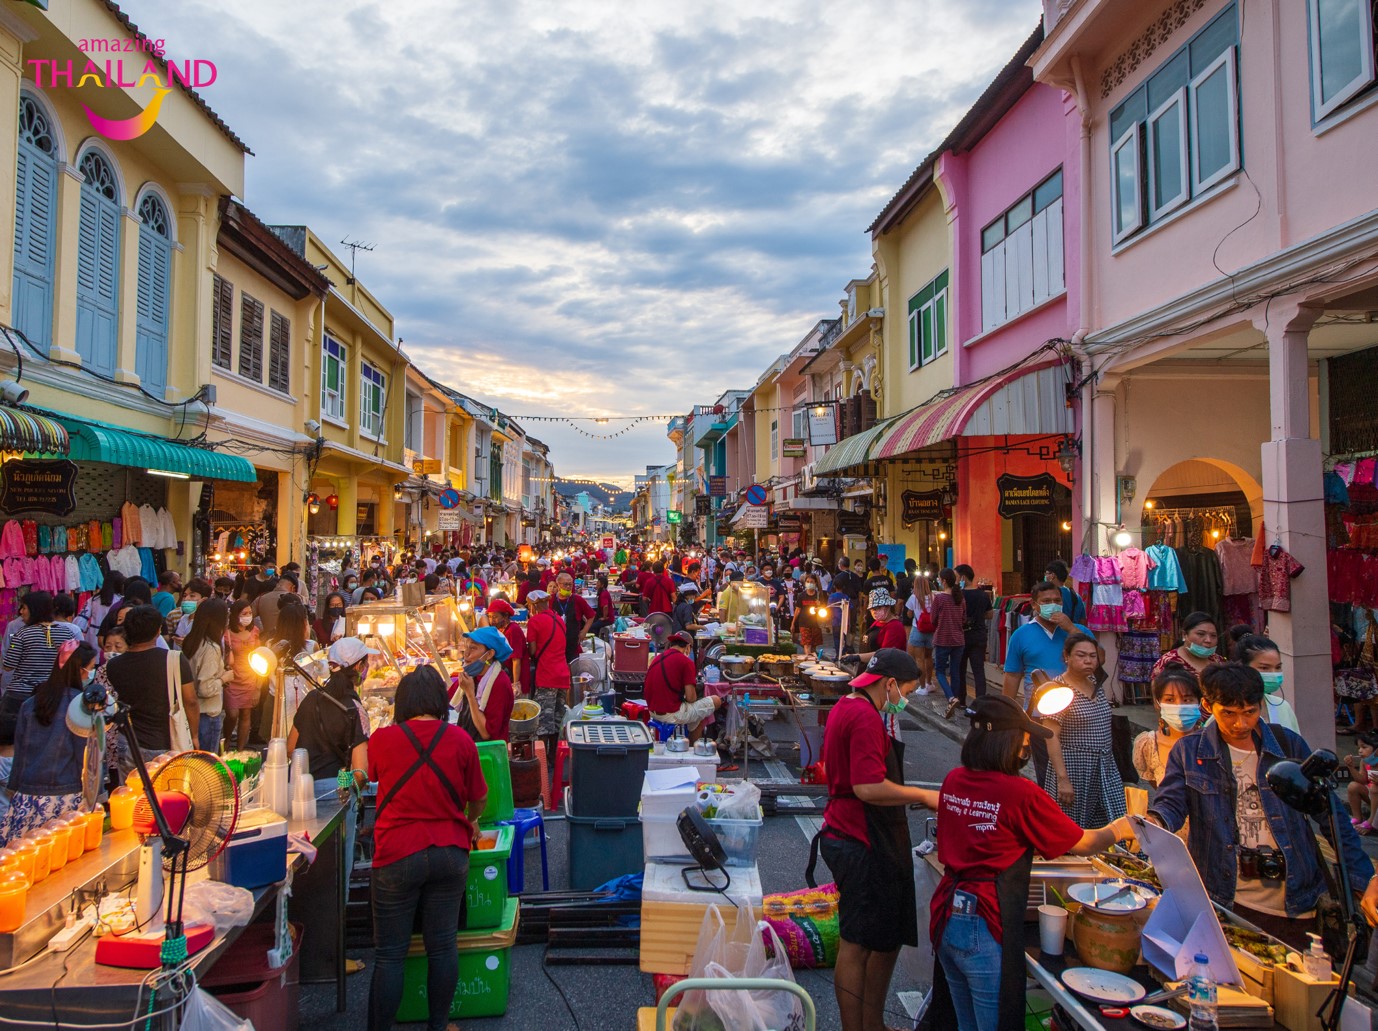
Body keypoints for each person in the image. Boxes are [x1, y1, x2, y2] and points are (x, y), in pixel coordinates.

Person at [927, 694, 1134, 1031]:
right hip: (985, 923)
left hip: (947, 916)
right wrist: (1120, 829)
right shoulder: (1020, 792)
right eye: (1023, 742)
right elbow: (1082, 843)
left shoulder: (954, 780)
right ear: (1006, 743)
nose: (1025, 750)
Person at [1149, 662, 1378, 948]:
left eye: (1250, 712)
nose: (1240, 724)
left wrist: (1363, 879)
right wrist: (1153, 823)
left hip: (1295, 903)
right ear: (1208, 705)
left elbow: (1331, 816)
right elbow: (1170, 803)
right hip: (1224, 898)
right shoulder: (1189, 751)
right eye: (1228, 713)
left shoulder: (1288, 745)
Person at [809, 649, 937, 1031]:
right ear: (890, 683)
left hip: (858, 832)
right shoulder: (864, 716)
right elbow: (866, 787)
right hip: (859, 836)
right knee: (858, 942)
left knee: (883, 938)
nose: (905, 700)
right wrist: (923, 795)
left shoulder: (848, 706)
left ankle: (872, 1023)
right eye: (907, 691)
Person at [367, 666, 487, 1031]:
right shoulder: (460, 740)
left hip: (395, 855)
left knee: (389, 955)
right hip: (449, 853)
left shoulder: (383, 739)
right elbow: (478, 799)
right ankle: (438, 1025)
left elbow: (370, 777)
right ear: (439, 701)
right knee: (442, 945)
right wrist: (470, 819)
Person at [0, 640, 97, 845]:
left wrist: (14, 787)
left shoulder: (30, 704)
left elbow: (21, 753)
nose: (92, 674)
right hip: (67, 796)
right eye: (91, 668)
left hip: (26, 796)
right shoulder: (81, 707)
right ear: (80, 671)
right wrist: (95, 795)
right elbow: (86, 757)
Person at [1040, 633, 1126, 828]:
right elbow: (1051, 736)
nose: (1088, 660)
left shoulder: (1096, 684)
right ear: (1066, 657)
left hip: (1104, 766)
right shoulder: (1057, 689)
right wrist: (1063, 779)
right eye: (1081, 655)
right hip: (1074, 767)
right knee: (1071, 827)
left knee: (1113, 823)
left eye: (1092, 656)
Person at [98, 605, 197, 769]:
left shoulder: (112, 665)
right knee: (166, 791)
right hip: (166, 741)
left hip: (127, 741)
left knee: (132, 792)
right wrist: (194, 735)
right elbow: (191, 701)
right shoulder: (174, 659)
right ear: (158, 631)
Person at [288, 637, 372, 787]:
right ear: (359, 666)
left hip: (300, 790)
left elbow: (290, 749)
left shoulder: (311, 698)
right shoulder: (354, 710)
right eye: (366, 664)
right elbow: (360, 773)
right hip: (333, 795)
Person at [1, 592, 78, 744]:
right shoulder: (67, 633)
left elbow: (8, 665)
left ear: (34, 609)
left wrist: (15, 647)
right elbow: (71, 663)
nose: (21, 612)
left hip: (20, 695)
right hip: (53, 695)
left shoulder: (21, 635)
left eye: (24, 608)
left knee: (15, 738)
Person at [1001, 580, 1092, 702]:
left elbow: (1100, 658)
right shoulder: (1020, 635)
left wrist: (1071, 629)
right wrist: (1006, 711)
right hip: (1038, 710)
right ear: (1034, 604)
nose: (1053, 605)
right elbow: (1012, 676)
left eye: (1057, 601)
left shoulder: (1080, 631)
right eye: (1046, 601)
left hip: (1078, 710)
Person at [1132, 667, 1203, 787]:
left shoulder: (1213, 742)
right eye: (1170, 699)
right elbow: (1157, 787)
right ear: (1159, 703)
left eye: (1187, 699)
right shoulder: (1148, 745)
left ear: (1200, 702)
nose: (1180, 706)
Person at [645, 631, 723, 739]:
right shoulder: (686, 662)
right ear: (688, 647)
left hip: (652, 711)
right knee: (716, 700)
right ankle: (694, 746)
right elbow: (691, 698)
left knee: (698, 714)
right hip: (671, 714)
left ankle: (690, 744)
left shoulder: (657, 658)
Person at [525, 591, 569, 774]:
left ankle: (543, 761)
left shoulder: (534, 622)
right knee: (557, 720)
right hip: (562, 675)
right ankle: (554, 757)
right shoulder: (559, 619)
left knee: (543, 722)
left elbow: (534, 651)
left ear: (533, 606)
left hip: (547, 676)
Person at [183, 599, 232, 753]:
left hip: (193, 714)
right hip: (207, 715)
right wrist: (224, 678)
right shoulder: (211, 648)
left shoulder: (192, 641)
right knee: (207, 765)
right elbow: (205, 689)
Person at [453, 627, 515, 742]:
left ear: (489, 654)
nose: (466, 654)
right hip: (469, 747)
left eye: (473, 648)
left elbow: (486, 733)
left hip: (489, 753)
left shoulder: (500, 682)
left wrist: (470, 694)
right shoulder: (472, 676)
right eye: (466, 647)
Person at [1232, 634, 1300, 733]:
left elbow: (1298, 746)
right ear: (1242, 667)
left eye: (1277, 667)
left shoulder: (1283, 707)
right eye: (1264, 668)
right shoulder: (1224, 711)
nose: (1274, 674)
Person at [224, 599, 262, 750]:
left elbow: (260, 655)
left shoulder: (255, 632)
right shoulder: (227, 633)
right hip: (232, 677)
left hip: (250, 675)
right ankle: (226, 741)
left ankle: (240, 749)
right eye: (244, 613)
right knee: (232, 714)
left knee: (246, 714)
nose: (248, 616)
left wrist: (258, 686)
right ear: (235, 615)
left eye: (250, 613)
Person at [1151, 610, 1224, 684]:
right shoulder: (1168, 662)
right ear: (1184, 634)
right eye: (1201, 634)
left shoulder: (1219, 662)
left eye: (1213, 635)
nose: (1208, 640)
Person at [931, 569, 967, 719]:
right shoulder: (960, 598)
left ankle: (951, 698)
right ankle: (954, 699)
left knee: (939, 671)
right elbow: (964, 619)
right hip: (958, 640)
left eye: (939, 579)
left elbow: (933, 619)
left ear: (944, 581)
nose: (938, 581)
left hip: (943, 639)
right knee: (955, 671)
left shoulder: (939, 599)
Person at [955, 564, 992, 702]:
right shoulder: (983, 595)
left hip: (961, 636)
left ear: (963, 577)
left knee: (960, 669)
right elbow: (990, 615)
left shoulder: (958, 596)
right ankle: (980, 701)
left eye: (957, 577)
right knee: (978, 670)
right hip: (979, 636)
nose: (956, 580)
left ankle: (962, 700)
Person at [905, 572, 936, 694]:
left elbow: (909, 613)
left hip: (918, 629)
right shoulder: (934, 597)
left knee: (919, 659)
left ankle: (922, 687)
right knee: (928, 658)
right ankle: (929, 683)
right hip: (931, 631)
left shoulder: (914, 598)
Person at [1344, 730, 1378, 833]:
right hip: (1372, 796)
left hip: (1375, 793)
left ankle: (1371, 821)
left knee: (1374, 787)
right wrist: (1351, 767)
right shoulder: (1364, 761)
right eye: (1359, 748)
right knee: (1353, 786)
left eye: (1364, 747)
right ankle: (1357, 818)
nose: (1360, 751)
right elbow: (1362, 780)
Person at [791, 574, 828, 657]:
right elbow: (797, 610)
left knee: (814, 646)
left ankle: (813, 660)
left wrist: (819, 607)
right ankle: (808, 659)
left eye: (811, 582)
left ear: (815, 583)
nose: (809, 583)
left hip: (816, 623)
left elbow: (824, 609)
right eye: (807, 582)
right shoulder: (801, 596)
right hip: (804, 623)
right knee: (807, 644)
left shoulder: (819, 596)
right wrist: (793, 623)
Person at [1044, 559, 1086, 625]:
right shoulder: (1077, 596)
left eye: (1046, 574)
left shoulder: (1049, 596)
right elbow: (1082, 620)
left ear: (1052, 576)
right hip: (1074, 633)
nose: (1045, 577)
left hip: (1057, 633)